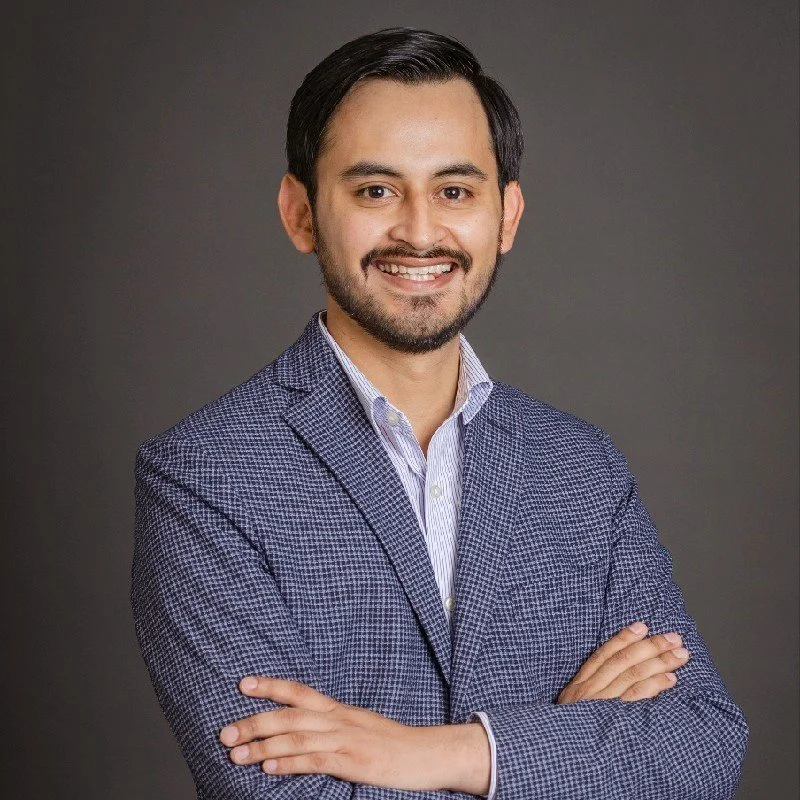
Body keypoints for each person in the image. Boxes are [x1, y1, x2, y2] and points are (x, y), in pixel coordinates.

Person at [131, 28, 748, 799]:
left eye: (455, 191)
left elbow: (703, 752)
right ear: (301, 213)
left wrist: (444, 754)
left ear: (506, 216)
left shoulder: (584, 468)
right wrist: (558, 740)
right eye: (375, 190)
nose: (420, 232)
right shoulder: (205, 476)